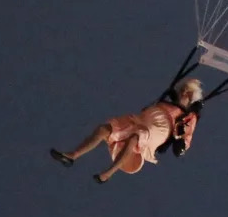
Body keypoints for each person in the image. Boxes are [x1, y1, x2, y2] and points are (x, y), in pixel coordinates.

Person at [50, 78, 204, 183]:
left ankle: (108, 173)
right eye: (183, 90)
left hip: (159, 130)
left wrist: (181, 137)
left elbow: (181, 148)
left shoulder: (188, 117)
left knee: (136, 138)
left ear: (191, 99)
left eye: (187, 92)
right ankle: (72, 155)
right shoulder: (167, 101)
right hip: (140, 120)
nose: (183, 93)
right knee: (105, 129)